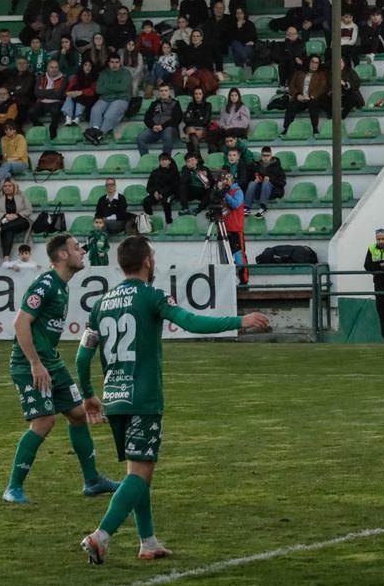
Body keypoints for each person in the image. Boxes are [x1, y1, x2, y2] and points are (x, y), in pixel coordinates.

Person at [77, 236, 269, 564]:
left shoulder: (101, 303)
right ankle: (101, 536)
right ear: (147, 261)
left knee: (138, 470)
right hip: (143, 397)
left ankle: (148, 541)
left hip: (115, 396)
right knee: (140, 473)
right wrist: (240, 321)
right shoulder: (152, 296)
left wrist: (88, 396)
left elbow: (82, 357)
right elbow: (190, 321)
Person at [1, 233, 118, 505]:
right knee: (44, 421)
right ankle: (13, 488)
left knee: (78, 414)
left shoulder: (61, 286)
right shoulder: (45, 284)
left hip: (51, 362)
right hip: (29, 364)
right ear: (63, 255)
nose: (82, 252)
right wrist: (35, 364)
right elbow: (20, 323)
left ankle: (92, 481)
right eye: (77, 248)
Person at [85, 54, 132, 142]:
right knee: (95, 110)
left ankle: (100, 134)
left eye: (117, 62)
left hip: (121, 98)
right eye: (112, 62)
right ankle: (94, 129)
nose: (114, 65)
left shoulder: (126, 73)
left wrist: (106, 86)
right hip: (106, 98)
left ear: (120, 63)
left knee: (109, 115)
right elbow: (99, 89)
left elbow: (123, 87)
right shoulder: (103, 73)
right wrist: (116, 88)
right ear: (108, 63)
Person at [281, 55, 327, 136]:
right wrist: (297, 95)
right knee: (291, 105)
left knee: (313, 104)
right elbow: (292, 85)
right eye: (312, 62)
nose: (314, 65)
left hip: (312, 98)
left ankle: (315, 128)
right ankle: (286, 128)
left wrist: (312, 96)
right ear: (308, 62)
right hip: (301, 98)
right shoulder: (299, 73)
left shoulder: (321, 74)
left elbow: (322, 87)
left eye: (317, 63)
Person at [0, 177, 32, 258]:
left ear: (14, 186)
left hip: (19, 221)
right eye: (5, 186)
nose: (7, 188)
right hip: (4, 220)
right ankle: (6, 258)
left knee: (24, 222)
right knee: (9, 231)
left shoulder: (21, 195)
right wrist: (5, 215)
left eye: (9, 186)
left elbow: (29, 209)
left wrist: (16, 215)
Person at [136, 83, 183, 156]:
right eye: (162, 91)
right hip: (155, 129)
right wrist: (153, 126)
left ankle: (166, 159)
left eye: (166, 90)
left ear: (169, 92)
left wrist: (163, 126)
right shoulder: (154, 103)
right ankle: (145, 158)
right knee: (141, 138)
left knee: (167, 134)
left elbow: (176, 119)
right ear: (159, 92)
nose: (164, 93)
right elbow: (147, 118)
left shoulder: (176, 103)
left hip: (170, 130)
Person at [243, 146, 286, 218]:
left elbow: (282, 183)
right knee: (252, 183)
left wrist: (270, 180)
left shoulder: (278, 167)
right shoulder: (256, 166)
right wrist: (256, 179)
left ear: (271, 156)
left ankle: (263, 208)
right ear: (261, 156)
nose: (266, 158)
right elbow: (247, 178)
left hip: (273, 191)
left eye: (268, 156)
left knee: (266, 183)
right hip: (260, 192)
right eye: (264, 155)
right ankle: (247, 208)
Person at [32, 59, 67, 140]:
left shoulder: (63, 79)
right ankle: (39, 126)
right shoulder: (41, 77)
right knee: (31, 112)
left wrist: (44, 93)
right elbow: (37, 92)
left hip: (56, 102)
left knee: (55, 111)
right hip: (42, 102)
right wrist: (53, 90)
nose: (54, 69)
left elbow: (59, 94)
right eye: (51, 67)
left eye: (56, 67)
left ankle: (53, 128)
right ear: (47, 68)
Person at [143, 152, 179, 223]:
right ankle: (150, 220)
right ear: (159, 162)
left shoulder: (174, 172)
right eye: (162, 160)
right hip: (156, 194)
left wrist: (162, 193)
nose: (164, 162)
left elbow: (174, 186)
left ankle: (169, 222)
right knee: (146, 201)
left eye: (166, 160)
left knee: (166, 201)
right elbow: (149, 186)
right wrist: (154, 192)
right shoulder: (155, 172)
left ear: (169, 161)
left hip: (169, 194)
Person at [62, 58, 98, 127]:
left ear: (92, 67)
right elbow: (68, 89)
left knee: (80, 97)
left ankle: (77, 118)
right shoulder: (76, 76)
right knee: (69, 97)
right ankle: (68, 118)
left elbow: (93, 90)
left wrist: (80, 92)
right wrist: (69, 93)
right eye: (85, 65)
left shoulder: (95, 77)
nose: (87, 67)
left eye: (89, 66)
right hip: (76, 96)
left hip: (88, 98)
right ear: (82, 66)